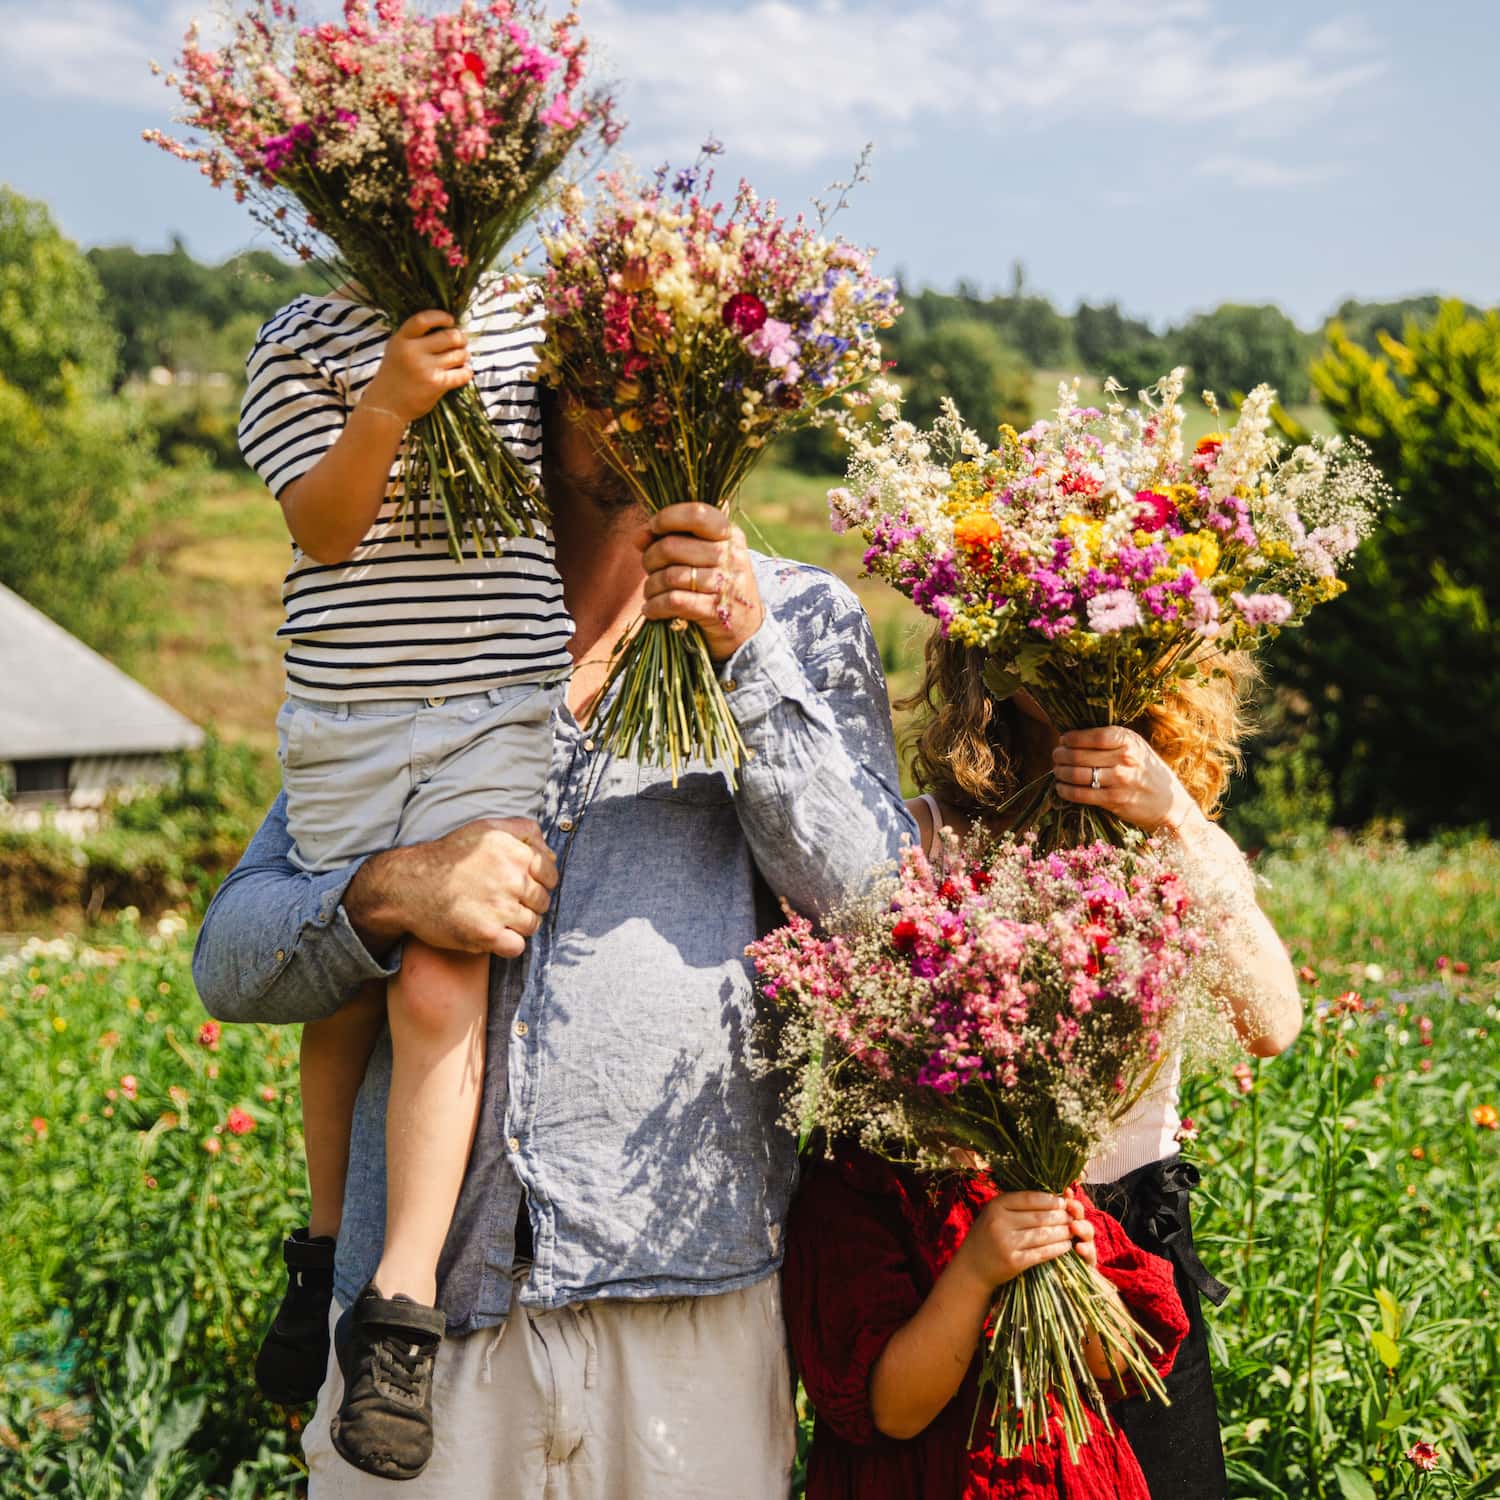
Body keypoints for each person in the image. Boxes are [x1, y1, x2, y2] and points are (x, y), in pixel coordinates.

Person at [194, 368, 917, 1495]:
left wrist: (744, 651)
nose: (644, 400)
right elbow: (232, 956)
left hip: (692, 1306)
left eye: (680, 360)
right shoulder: (423, 615)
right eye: (607, 365)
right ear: (534, 385)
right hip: (421, 1331)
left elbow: (881, 915)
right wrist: (388, 892)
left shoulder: (801, 621)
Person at [237, 280, 571, 1478]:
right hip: (347, 719)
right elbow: (324, 529)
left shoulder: (535, 315)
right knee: (342, 984)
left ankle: (398, 1311)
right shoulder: (300, 339)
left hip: (499, 712)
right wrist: (382, 402)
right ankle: (322, 1252)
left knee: (441, 983)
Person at [902, 637, 1304, 1499]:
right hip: (976, 1249)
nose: (1078, 641)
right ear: (989, 648)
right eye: (1047, 624)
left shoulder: (1171, 827)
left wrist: (1178, 820)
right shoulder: (933, 836)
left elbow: (1272, 1023)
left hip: (1138, 1243)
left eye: (1106, 621)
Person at [782, 1150, 1189, 1498]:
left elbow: (1112, 1367)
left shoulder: (1034, 1167)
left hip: (1070, 1474)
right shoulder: (854, 1190)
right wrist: (975, 1274)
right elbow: (896, 1412)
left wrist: (1087, 1282)